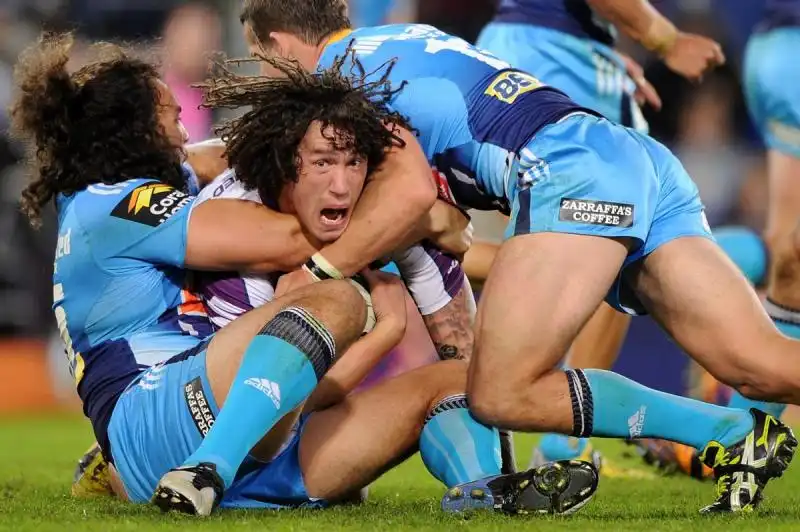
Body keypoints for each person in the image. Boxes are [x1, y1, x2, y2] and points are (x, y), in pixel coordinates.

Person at [238, 0, 799, 512]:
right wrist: (435, 218)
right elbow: (435, 209)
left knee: (501, 391)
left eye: (261, 63)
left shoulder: (344, 82)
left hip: (571, 172)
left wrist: (319, 270)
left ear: (281, 46)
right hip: (628, 155)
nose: (267, 83)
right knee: (760, 364)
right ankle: (736, 432)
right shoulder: (401, 39)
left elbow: (410, 196)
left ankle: (728, 434)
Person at [28, 40, 597, 516]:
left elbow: (217, 156)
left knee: (456, 385)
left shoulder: (104, 200)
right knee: (332, 295)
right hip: (153, 416)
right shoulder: (118, 206)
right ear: (132, 131)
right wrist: (412, 205)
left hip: (228, 422)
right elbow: (296, 240)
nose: (181, 132)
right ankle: (205, 471)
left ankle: (483, 491)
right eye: (170, 117)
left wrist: (385, 332)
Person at [473, 0, 727, 471]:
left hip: (540, 52)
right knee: (618, 244)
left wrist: (602, 49)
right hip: (551, 52)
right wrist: (665, 39)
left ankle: (529, 442)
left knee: (546, 254)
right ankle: (561, 443)